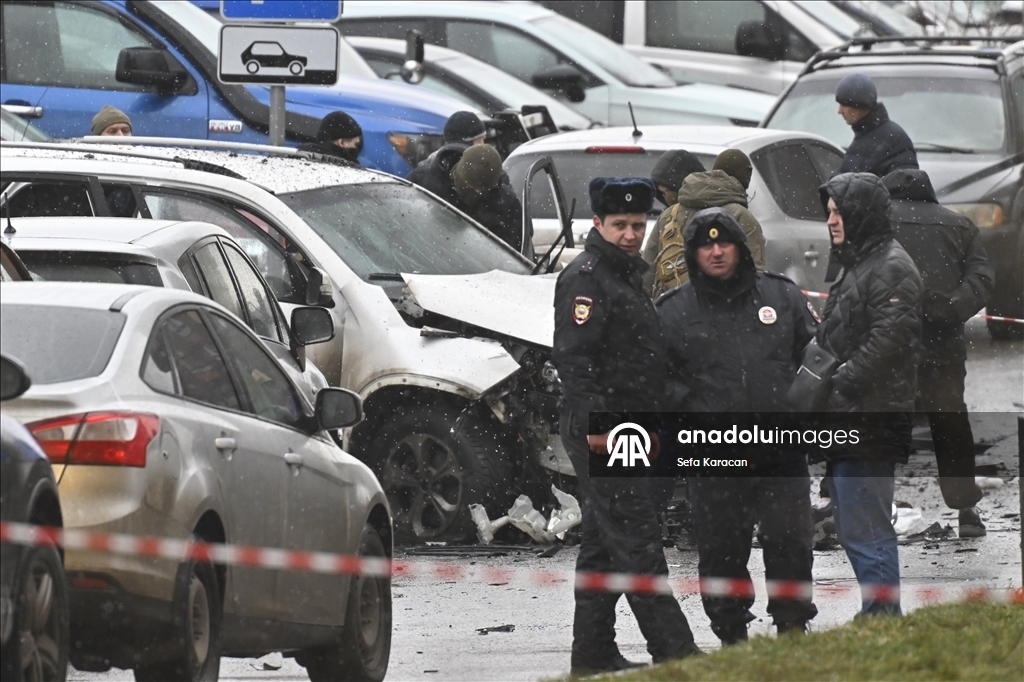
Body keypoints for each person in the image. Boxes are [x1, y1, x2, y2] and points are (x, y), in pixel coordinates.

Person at [553, 177, 701, 675]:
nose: (631, 234)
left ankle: (591, 652)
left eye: (639, 225)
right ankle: (675, 652)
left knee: (602, 541)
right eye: (620, 225)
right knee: (637, 539)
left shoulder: (622, 275)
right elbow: (575, 360)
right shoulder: (586, 279)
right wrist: (599, 425)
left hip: (628, 426)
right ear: (598, 223)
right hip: (606, 428)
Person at [657, 207, 819, 644]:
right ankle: (731, 631)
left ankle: (791, 625)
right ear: (692, 253)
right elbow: (653, 380)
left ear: (740, 248)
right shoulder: (673, 312)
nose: (715, 251)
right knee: (722, 548)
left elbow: (815, 360)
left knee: (790, 541)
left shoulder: (781, 297)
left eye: (723, 242)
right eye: (705, 245)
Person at [817, 172, 922, 617]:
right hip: (852, 413)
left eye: (839, 212)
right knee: (852, 521)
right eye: (829, 213)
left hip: (870, 416)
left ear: (861, 214)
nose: (831, 221)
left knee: (866, 526)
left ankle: (883, 617)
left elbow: (891, 337)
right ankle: (878, 612)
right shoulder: (862, 260)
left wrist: (841, 380)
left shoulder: (891, 265)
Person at [883, 168, 995, 537]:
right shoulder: (960, 226)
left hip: (891, 344)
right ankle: (965, 507)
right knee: (950, 424)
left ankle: (869, 504)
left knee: (881, 425)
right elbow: (982, 279)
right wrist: (952, 306)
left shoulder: (880, 220)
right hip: (942, 347)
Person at [648, 149, 766, 297]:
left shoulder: (668, 215)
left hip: (674, 312)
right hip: (726, 311)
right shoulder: (741, 216)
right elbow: (757, 279)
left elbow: (646, 275)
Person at [409, 143, 525, 253]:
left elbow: (514, 254)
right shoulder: (424, 181)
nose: (475, 194)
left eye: (482, 191)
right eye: (469, 187)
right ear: (458, 175)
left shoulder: (506, 205)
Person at [641, 150, 706, 293]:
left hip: (672, 303)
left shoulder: (668, 217)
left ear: (677, 189)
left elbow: (648, 270)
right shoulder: (730, 211)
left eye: (664, 193)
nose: (664, 199)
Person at [835, 73, 918, 177]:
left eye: (844, 104)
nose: (839, 111)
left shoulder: (894, 140)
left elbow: (904, 186)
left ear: (859, 104)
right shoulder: (863, 138)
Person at [297, 111, 363, 165]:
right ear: (342, 143)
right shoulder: (345, 169)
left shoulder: (296, 155)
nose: (355, 148)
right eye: (355, 144)